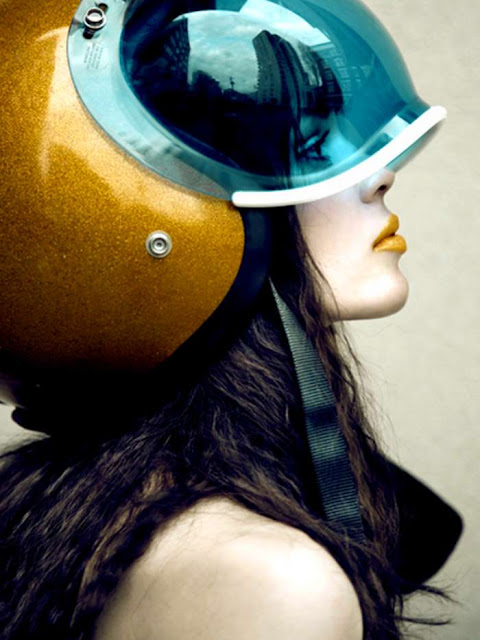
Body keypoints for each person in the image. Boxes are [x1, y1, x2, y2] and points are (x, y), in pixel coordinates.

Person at [0, 1, 463, 639]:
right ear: (135, 212)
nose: (380, 177)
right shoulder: (271, 582)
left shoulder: (58, 511)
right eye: (307, 147)